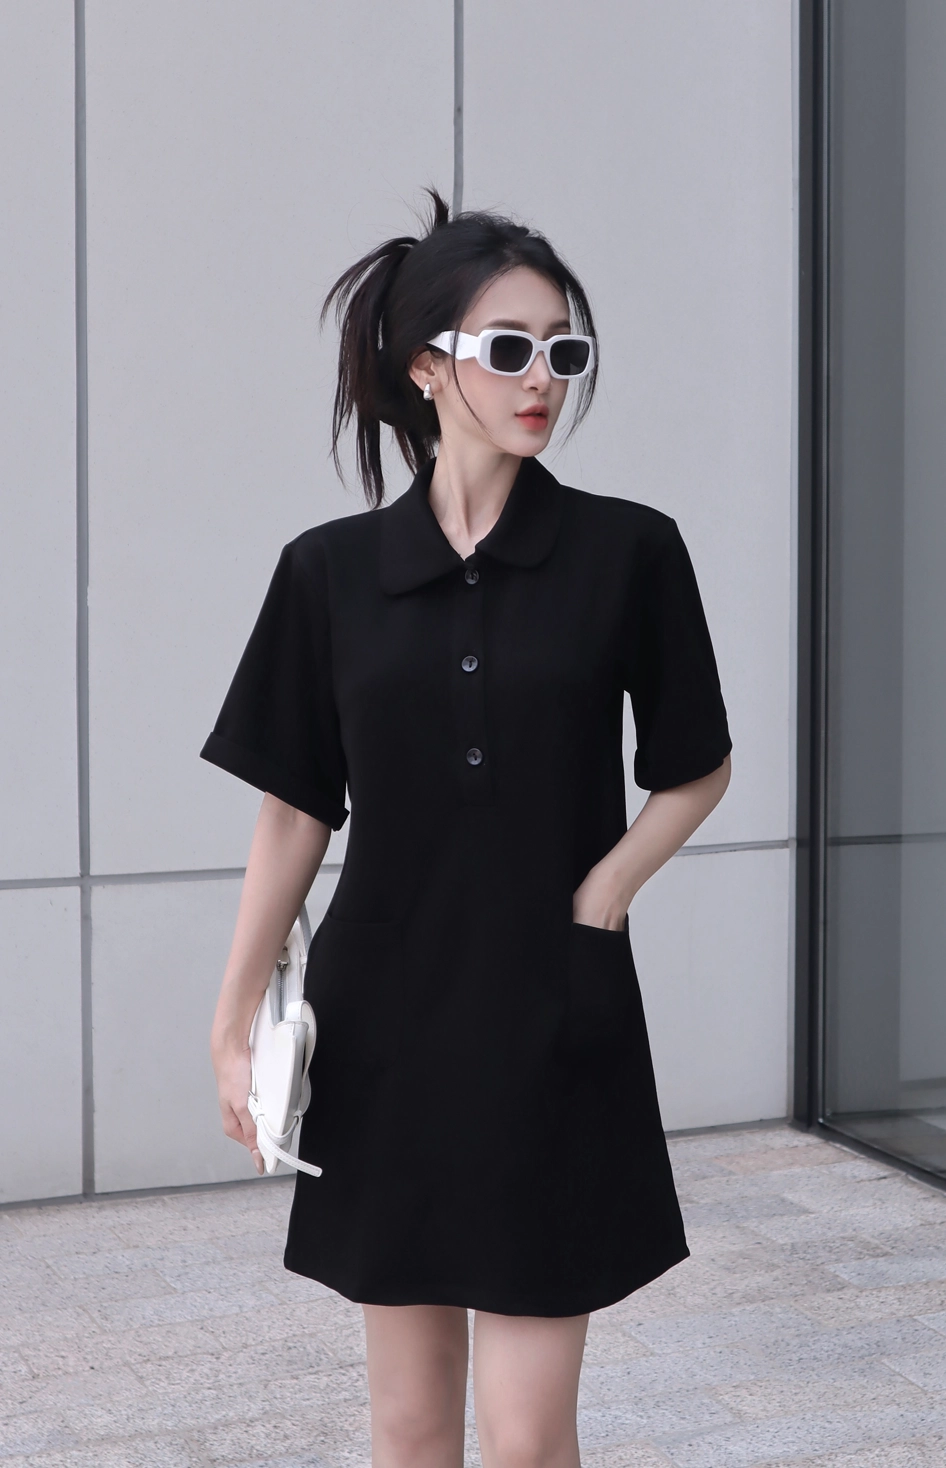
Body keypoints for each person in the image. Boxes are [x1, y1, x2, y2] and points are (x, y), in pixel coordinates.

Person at [203, 190, 732, 1468]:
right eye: (509, 347)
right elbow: (294, 810)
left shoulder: (630, 553)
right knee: (406, 1423)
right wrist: (232, 1021)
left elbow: (696, 768)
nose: (543, 376)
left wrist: (604, 892)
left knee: (530, 1435)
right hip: (384, 1021)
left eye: (564, 348)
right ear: (427, 367)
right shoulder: (327, 573)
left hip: (557, 1017)